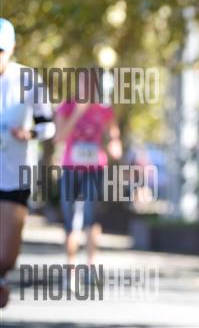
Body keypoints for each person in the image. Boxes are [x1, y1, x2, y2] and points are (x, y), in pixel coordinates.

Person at [0, 18, 56, 307]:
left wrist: (30, 133)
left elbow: (49, 125)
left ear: (11, 49)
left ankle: (2, 277)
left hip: (15, 176)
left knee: (5, 256)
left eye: (0, 51)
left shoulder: (28, 80)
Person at [54, 69, 121, 272]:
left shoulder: (104, 109)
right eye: (83, 83)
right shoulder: (67, 106)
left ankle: (90, 266)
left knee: (91, 216)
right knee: (70, 218)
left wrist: (114, 144)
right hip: (70, 169)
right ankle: (71, 268)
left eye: (90, 84)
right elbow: (59, 137)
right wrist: (77, 113)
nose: (86, 87)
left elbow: (113, 133)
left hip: (94, 169)